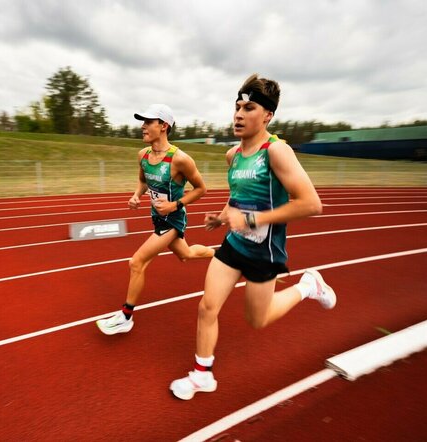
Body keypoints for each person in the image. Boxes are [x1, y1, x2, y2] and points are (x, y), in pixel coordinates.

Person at [169, 74, 337, 400]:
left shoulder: (277, 152)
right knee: (207, 307)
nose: (238, 114)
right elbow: (238, 195)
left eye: (249, 107)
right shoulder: (232, 155)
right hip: (233, 244)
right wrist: (222, 216)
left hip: (265, 251)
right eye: (236, 107)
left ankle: (308, 286)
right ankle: (202, 374)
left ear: (268, 116)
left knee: (257, 320)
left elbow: (311, 204)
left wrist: (251, 219)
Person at [96, 104, 215, 335]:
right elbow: (142, 180)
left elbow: (201, 189)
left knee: (137, 262)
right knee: (186, 254)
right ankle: (222, 255)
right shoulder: (143, 155)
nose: (143, 127)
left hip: (172, 220)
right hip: (156, 218)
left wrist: (174, 204)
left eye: (148, 122)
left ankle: (126, 317)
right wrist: (136, 195)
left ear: (163, 126)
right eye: (143, 122)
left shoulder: (180, 159)